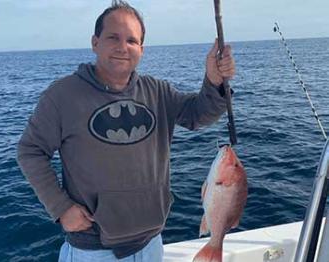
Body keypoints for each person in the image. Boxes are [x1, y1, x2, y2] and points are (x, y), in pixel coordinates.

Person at [17, 0, 236, 261]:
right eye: (113, 37)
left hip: (152, 242)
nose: (123, 47)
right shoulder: (63, 96)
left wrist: (213, 82)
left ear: (141, 49)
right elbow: (30, 151)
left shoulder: (158, 92)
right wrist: (60, 206)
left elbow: (197, 115)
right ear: (95, 42)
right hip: (93, 249)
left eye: (132, 40)